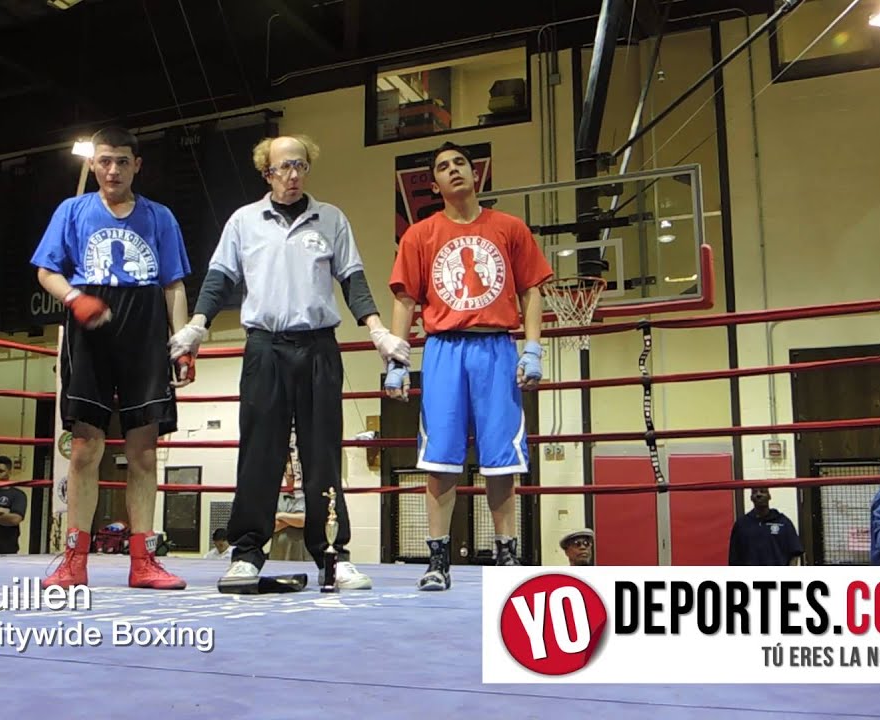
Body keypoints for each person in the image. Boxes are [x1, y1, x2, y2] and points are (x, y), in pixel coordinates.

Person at [168, 134, 409, 591]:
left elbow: (353, 279)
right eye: (284, 167)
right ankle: (246, 553)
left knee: (322, 455)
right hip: (265, 347)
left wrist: (377, 330)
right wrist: (197, 325)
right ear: (267, 173)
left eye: (300, 165)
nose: (294, 174)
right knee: (259, 452)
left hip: (319, 346)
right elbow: (219, 277)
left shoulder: (331, 218)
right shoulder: (244, 222)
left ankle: (331, 556)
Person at [385, 141, 553, 591]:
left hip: (496, 347)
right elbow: (404, 299)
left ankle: (507, 557)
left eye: (460, 162)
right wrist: (397, 361)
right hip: (442, 349)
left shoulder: (509, 228)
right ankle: (438, 560)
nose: (453, 170)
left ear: (474, 174)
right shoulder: (419, 235)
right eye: (443, 166)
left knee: (501, 461)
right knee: (439, 460)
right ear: (435, 182)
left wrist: (533, 349)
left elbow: (532, 289)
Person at [31, 126, 194, 590]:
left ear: (136, 165)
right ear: (92, 164)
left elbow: (173, 283)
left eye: (122, 161)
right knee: (85, 446)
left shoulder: (160, 217)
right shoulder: (73, 210)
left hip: (144, 322)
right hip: (90, 321)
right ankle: (73, 561)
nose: (113, 169)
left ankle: (143, 560)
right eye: (104, 161)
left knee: (143, 448)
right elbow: (46, 269)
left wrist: (181, 342)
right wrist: (73, 298)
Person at [727, 487, 802, 566]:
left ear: (769, 496)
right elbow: (734, 559)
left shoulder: (783, 523)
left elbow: (794, 554)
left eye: (763, 491)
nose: (758, 494)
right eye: (755, 492)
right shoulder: (741, 525)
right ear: (751, 498)